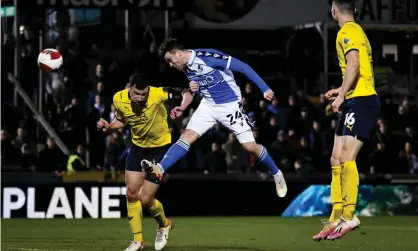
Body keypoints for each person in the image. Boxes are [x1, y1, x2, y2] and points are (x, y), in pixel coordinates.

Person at [141, 39, 287, 197]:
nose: (170, 64)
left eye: (170, 60)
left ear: (178, 54)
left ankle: (277, 173)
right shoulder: (184, 66)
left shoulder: (209, 57)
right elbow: (195, 88)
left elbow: (243, 67)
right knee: (187, 136)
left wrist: (264, 88)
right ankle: (160, 169)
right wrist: (183, 106)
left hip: (230, 105)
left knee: (250, 147)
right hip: (209, 105)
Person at [97, 73, 193, 251]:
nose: (141, 98)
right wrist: (109, 127)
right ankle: (138, 241)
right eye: (137, 94)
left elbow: (187, 92)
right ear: (128, 88)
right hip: (138, 148)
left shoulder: (158, 93)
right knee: (131, 194)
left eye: (144, 94)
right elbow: (121, 120)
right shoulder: (118, 98)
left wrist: (181, 107)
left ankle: (164, 224)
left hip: (161, 149)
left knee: (145, 198)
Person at [313, 0, 380, 241]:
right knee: (336, 158)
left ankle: (349, 215)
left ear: (334, 10)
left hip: (361, 101)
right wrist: (340, 89)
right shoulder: (357, 30)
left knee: (347, 157)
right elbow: (359, 70)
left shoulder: (346, 32)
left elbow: (354, 64)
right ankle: (336, 215)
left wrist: (341, 96)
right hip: (356, 98)